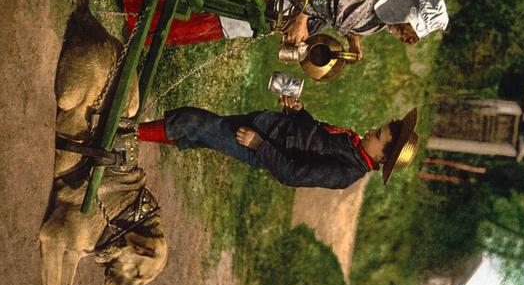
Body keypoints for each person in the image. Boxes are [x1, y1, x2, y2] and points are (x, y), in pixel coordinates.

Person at [136, 99, 419, 189]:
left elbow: (292, 174)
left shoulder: (346, 172)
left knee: (194, 122)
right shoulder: (352, 144)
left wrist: (259, 144)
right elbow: (313, 136)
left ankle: (127, 132)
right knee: (199, 134)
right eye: (377, 129)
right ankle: (134, 134)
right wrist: (298, 112)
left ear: (382, 157)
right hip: (267, 126)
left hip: (259, 143)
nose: (370, 131)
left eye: (377, 136)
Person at [280, 0, 449, 60]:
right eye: (398, 27)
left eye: (398, 32)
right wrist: (300, 21)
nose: (391, 30)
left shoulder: (384, 19)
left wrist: (354, 43)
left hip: (288, 19)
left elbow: (347, 20)